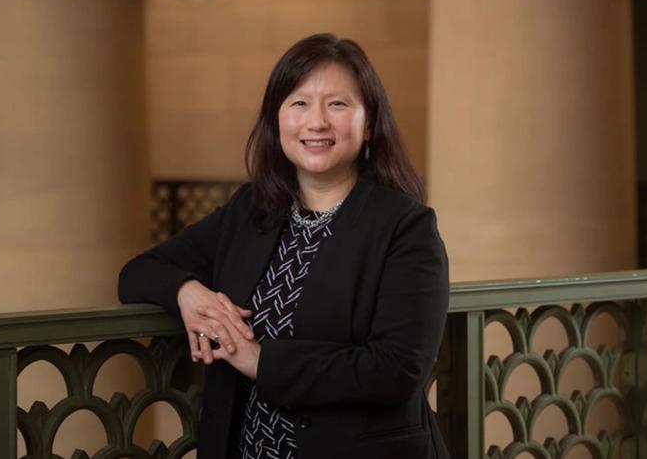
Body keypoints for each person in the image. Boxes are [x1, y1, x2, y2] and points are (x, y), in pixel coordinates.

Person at [118, 33, 450, 459]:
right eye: (299, 103)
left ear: (368, 124)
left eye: (337, 104)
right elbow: (137, 273)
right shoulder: (251, 210)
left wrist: (260, 361)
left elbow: (398, 370)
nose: (317, 122)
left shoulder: (405, 226)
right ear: (277, 121)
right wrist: (188, 293)